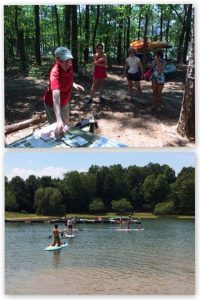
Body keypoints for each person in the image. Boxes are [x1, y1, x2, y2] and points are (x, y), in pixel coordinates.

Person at [43, 46, 85, 138]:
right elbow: (56, 98)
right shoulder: (55, 73)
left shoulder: (70, 66)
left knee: (66, 126)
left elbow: (67, 78)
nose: (67, 63)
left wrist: (74, 84)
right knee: (58, 129)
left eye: (69, 59)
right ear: (57, 60)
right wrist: (58, 120)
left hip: (65, 102)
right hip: (52, 105)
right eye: (64, 60)